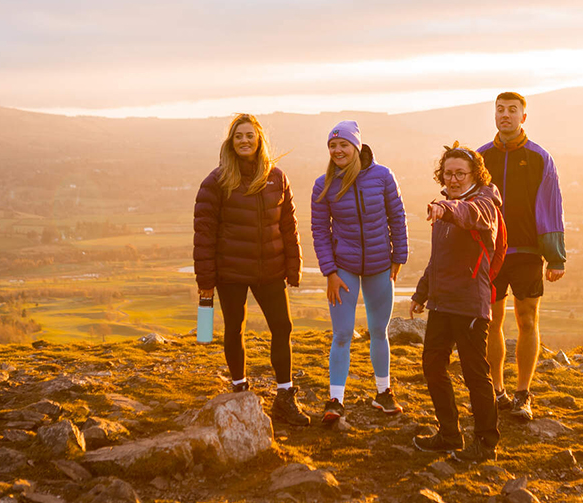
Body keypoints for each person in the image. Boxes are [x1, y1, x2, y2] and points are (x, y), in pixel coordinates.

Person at [193, 113, 311, 426]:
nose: (245, 141)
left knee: (282, 327)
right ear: (230, 143)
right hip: (230, 271)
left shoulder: (277, 177)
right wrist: (205, 281)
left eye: (250, 135)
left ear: (259, 140)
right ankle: (239, 389)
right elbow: (204, 236)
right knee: (235, 328)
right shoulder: (216, 182)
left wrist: (293, 266)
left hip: (270, 268)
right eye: (238, 136)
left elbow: (288, 226)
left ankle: (284, 397)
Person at [410, 143, 504, 463]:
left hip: (469, 304)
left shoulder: (485, 202)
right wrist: (422, 293)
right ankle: (449, 434)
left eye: (460, 173)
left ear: (474, 174)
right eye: (448, 173)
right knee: (433, 366)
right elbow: (438, 259)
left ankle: (486, 443)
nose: (453, 179)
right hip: (441, 302)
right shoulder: (447, 204)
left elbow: (470, 214)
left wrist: (446, 208)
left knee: (475, 373)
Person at [311, 120, 409, 423]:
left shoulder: (382, 176)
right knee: (341, 334)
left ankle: (383, 393)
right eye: (332, 145)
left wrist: (399, 256)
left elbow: (397, 215)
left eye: (343, 144)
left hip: (381, 265)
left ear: (356, 147)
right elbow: (319, 231)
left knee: (379, 331)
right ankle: (335, 401)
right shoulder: (324, 184)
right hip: (344, 269)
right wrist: (329, 271)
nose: (337, 150)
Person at [477, 92, 567, 422]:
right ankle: (496, 390)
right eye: (500, 110)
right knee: (491, 322)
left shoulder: (540, 158)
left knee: (527, 319)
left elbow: (550, 207)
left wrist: (555, 257)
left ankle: (523, 394)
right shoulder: (480, 157)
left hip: (527, 251)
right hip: (489, 253)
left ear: (523, 117)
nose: (505, 115)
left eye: (512, 110)